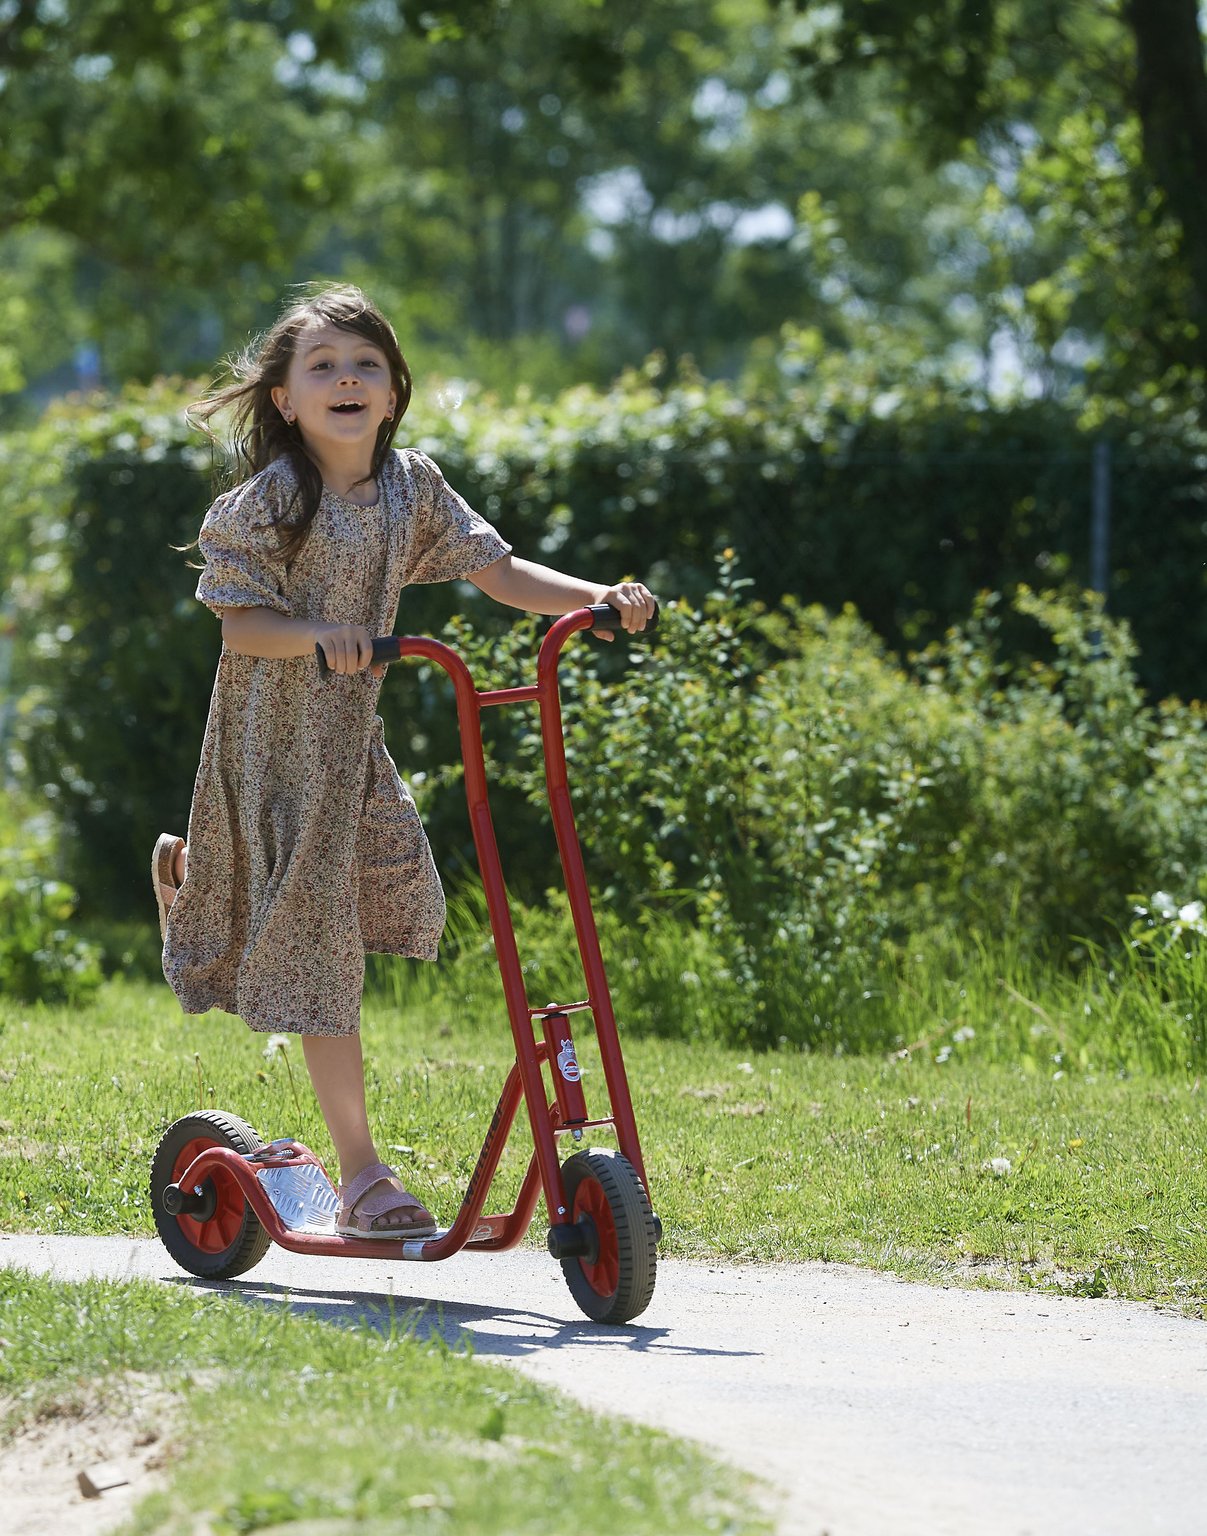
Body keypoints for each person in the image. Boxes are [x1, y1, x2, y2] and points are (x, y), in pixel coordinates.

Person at [153, 284, 656, 1239]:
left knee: (402, 899)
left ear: (392, 395)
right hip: (276, 749)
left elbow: (496, 568)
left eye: (366, 367)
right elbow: (239, 624)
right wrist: (316, 633)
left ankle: (211, 882)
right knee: (319, 948)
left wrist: (597, 597)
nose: (347, 380)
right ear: (286, 400)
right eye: (324, 368)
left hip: (352, 742)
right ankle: (361, 1176)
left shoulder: (412, 486)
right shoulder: (268, 502)